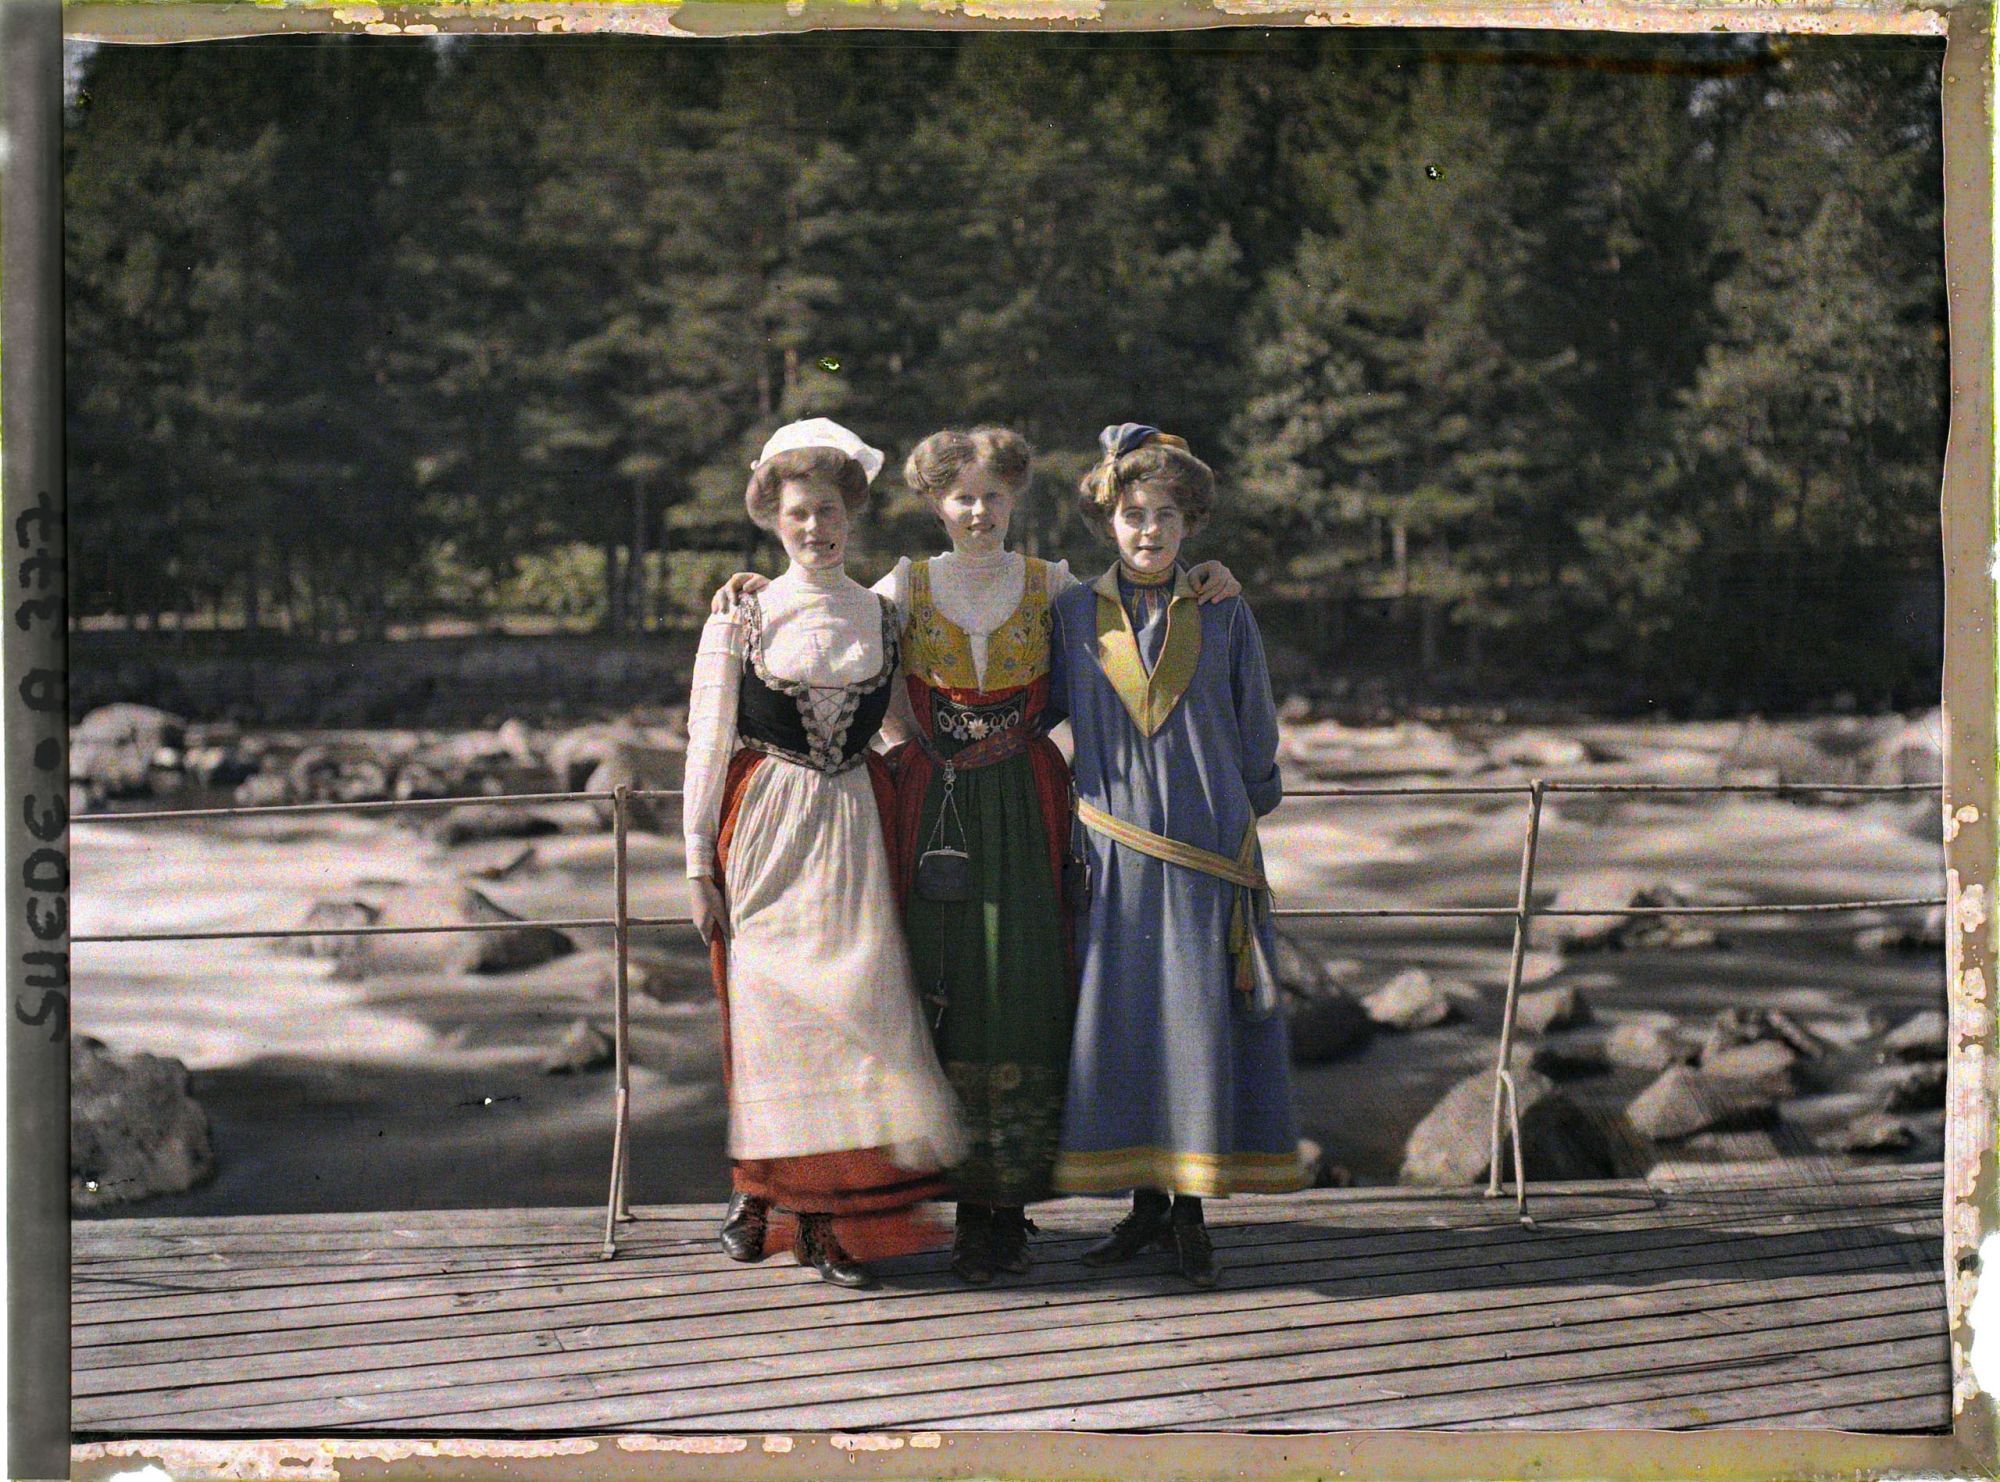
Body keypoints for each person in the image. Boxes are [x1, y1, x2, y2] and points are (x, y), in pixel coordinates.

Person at [710, 428, 1240, 1284]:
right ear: (935, 504)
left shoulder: (1054, 587)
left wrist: (1208, 577)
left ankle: (1003, 1213)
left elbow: (1131, 608)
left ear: (1015, 501)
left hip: (1026, 801)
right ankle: (896, 1200)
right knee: (921, 990)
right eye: (962, 497)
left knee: (1019, 986)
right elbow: (825, 609)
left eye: (995, 497)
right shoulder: (902, 587)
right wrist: (753, 589)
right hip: (927, 804)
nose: (979, 513)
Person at [681, 417, 967, 1290]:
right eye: (800, 512)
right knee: (774, 1012)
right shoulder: (741, 615)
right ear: (773, 516)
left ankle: (841, 1218)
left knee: (856, 1013)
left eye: (832, 510)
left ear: (854, 513)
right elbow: (706, 737)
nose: (817, 527)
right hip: (766, 821)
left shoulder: (881, 613)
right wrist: (697, 861)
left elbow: (896, 727)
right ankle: (769, 1197)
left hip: (851, 824)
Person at [1044, 423, 1307, 1289]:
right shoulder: (1074, 613)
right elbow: (1029, 705)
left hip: (1203, 849)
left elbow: (1256, 726)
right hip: (1114, 853)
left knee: (1192, 1026)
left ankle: (1187, 1217)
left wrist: (1242, 804)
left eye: (1163, 514)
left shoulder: (1223, 608)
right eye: (1130, 515)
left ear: (1190, 522)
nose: (1147, 529)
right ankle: (1147, 1213)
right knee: (1127, 1025)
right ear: (1107, 523)